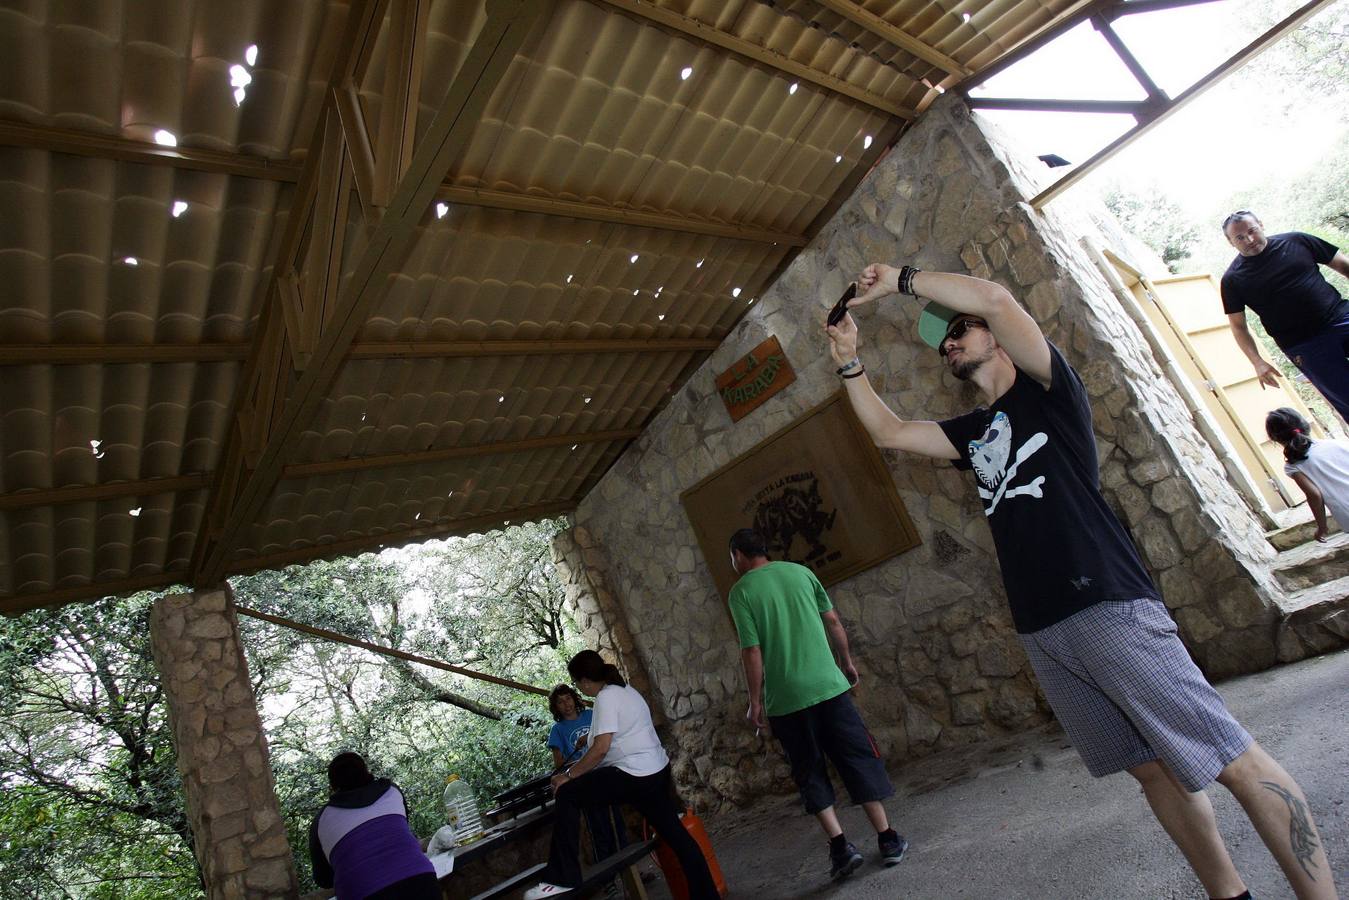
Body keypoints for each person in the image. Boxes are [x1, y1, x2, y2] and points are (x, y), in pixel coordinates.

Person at [824, 262, 1339, 900]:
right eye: (943, 338)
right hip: (1044, 631)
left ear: (998, 338)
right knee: (1150, 771)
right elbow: (889, 431)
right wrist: (850, 362)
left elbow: (993, 293)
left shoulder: (1048, 392)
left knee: (1232, 757)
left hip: (1105, 605)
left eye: (961, 330)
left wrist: (902, 280)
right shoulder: (975, 431)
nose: (949, 341)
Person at [726, 527, 908, 881]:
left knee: (808, 770)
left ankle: (841, 848)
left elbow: (752, 650)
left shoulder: (741, 592)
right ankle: (887, 839)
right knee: (856, 758)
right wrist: (847, 660)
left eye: (732, 557)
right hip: (829, 687)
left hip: (786, 702)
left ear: (740, 555)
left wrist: (754, 701)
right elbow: (833, 620)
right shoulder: (802, 572)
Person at [524, 651, 720, 899]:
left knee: (567, 794)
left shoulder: (606, 698)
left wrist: (569, 775)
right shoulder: (626, 690)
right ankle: (707, 895)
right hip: (656, 771)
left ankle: (561, 879)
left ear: (584, 681)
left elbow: (601, 749)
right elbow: (618, 735)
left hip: (633, 775)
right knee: (678, 837)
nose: (578, 689)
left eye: (576, 684)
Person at [1220, 211, 1349, 419]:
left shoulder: (1297, 241)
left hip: (1341, 317)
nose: (1249, 240)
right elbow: (1238, 327)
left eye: (1252, 231)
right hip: (1305, 346)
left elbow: (1344, 265)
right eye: (1240, 238)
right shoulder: (1232, 280)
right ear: (1230, 242)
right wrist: (1257, 362)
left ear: (1261, 224)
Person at [309, 751, 439, 900]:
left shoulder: (321, 821)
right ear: (366, 772)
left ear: (332, 786)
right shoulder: (391, 791)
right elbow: (401, 830)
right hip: (422, 882)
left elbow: (323, 879)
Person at [546, 683, 629, 889]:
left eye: (568, 699)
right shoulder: (557, 731)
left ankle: (631, 873)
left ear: (575, 698)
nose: (566, 704)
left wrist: (591, 740)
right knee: (598, 830)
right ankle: (608, 881)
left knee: (617, 824)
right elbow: (559, 765)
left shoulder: (592, 716)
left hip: (605, 774)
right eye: (560, 702)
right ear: (556, 707)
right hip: (582, 784)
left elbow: (608, 740)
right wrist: (578, 757)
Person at [1266, 407, 1349, 542]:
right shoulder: (1338, 444)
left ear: (1275, 438)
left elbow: (1314, 495)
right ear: (1306, 426)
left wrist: (1322, 527)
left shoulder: (1294, 466)